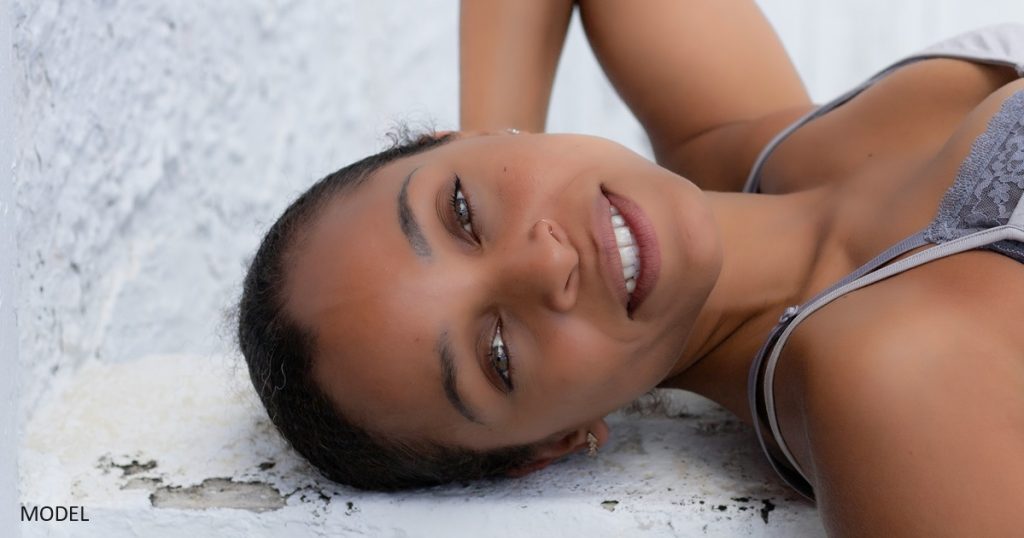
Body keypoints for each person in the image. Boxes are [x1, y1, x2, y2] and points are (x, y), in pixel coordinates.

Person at [237, 1, 1024, 533]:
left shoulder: (736, 140)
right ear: (553, 444)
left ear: (453, 139)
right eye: (498, 356)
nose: (546, 260)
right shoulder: (885, 388)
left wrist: (498, 141)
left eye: (461, 213)